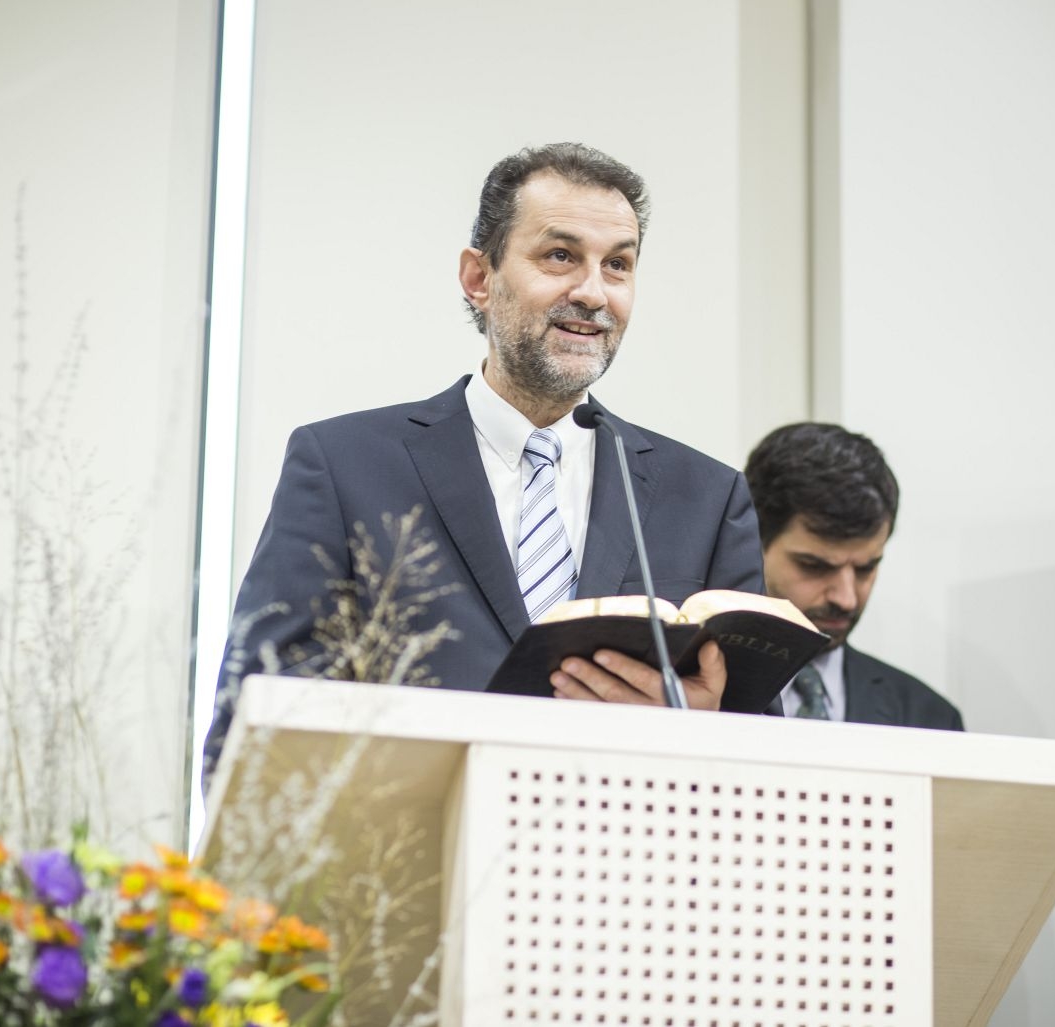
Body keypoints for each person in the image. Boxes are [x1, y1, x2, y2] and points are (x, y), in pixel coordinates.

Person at [204, 143, 764, 779]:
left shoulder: (707, 501)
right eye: (560, 256)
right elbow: (257, 724)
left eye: (617, 265)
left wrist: (702, 732)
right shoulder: (343, 467)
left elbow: (772, 760)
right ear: (479, 279)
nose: (593, 293)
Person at [744, 423, 962, 730]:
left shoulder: (930, 718)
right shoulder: (687, 694)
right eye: (815, 566)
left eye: (866, 568)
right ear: (753, 542)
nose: (846, 599)